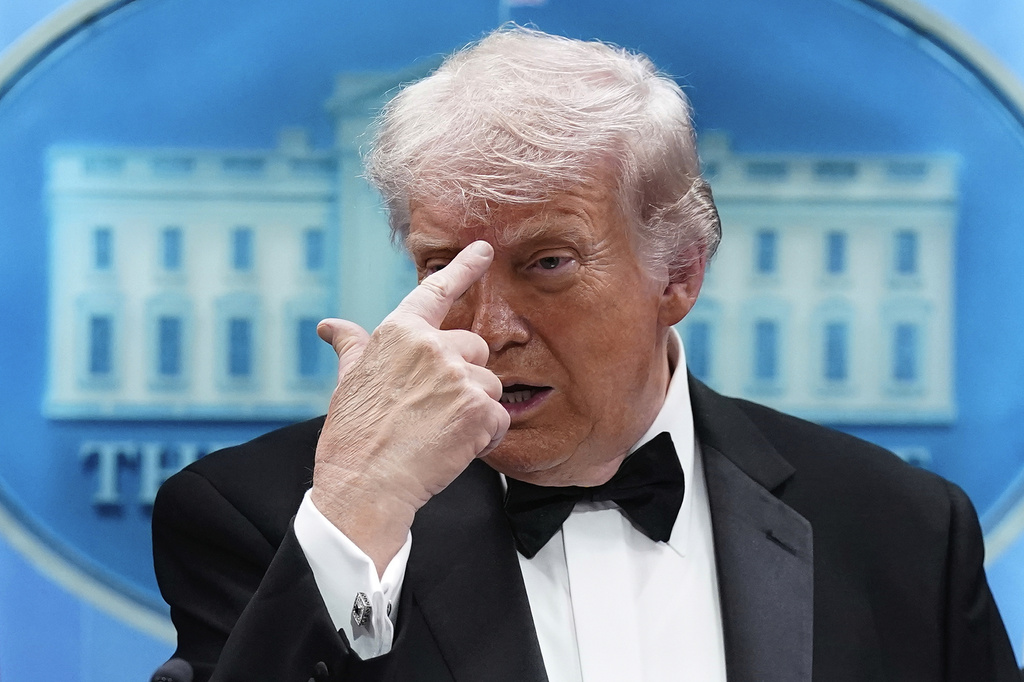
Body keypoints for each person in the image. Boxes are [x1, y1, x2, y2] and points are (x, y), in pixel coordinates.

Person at [152, 26, 1020, 682]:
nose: (488, 328)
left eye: (548, 264)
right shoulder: (263, 522)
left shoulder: (900, 528)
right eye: (442, 266)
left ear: (678, 272)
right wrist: (356, 521)